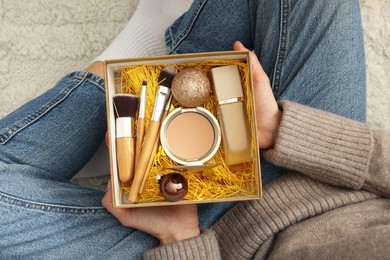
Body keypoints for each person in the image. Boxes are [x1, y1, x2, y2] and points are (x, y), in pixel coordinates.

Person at [1, 0, 388, 259]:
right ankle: (164, 61)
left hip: (216, 241)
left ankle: (131, 70)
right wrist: (286, 129)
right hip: (330, 174)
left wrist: (179, 240)